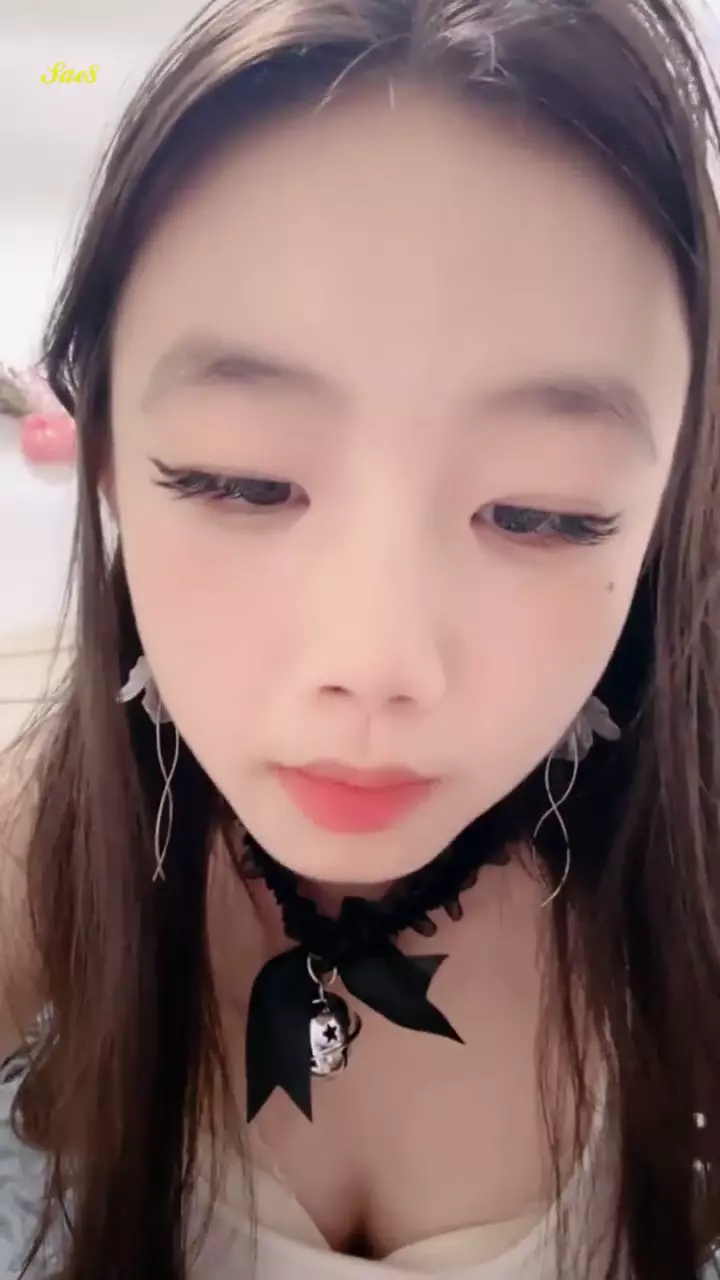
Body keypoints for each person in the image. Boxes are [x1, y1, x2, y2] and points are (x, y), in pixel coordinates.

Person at [1, 0, 720, 1275]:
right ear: (105, 453)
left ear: (671, 505)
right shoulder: (32, 872)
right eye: (244, 480)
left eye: (544, 511)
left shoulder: (693, 899)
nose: (378, 661)